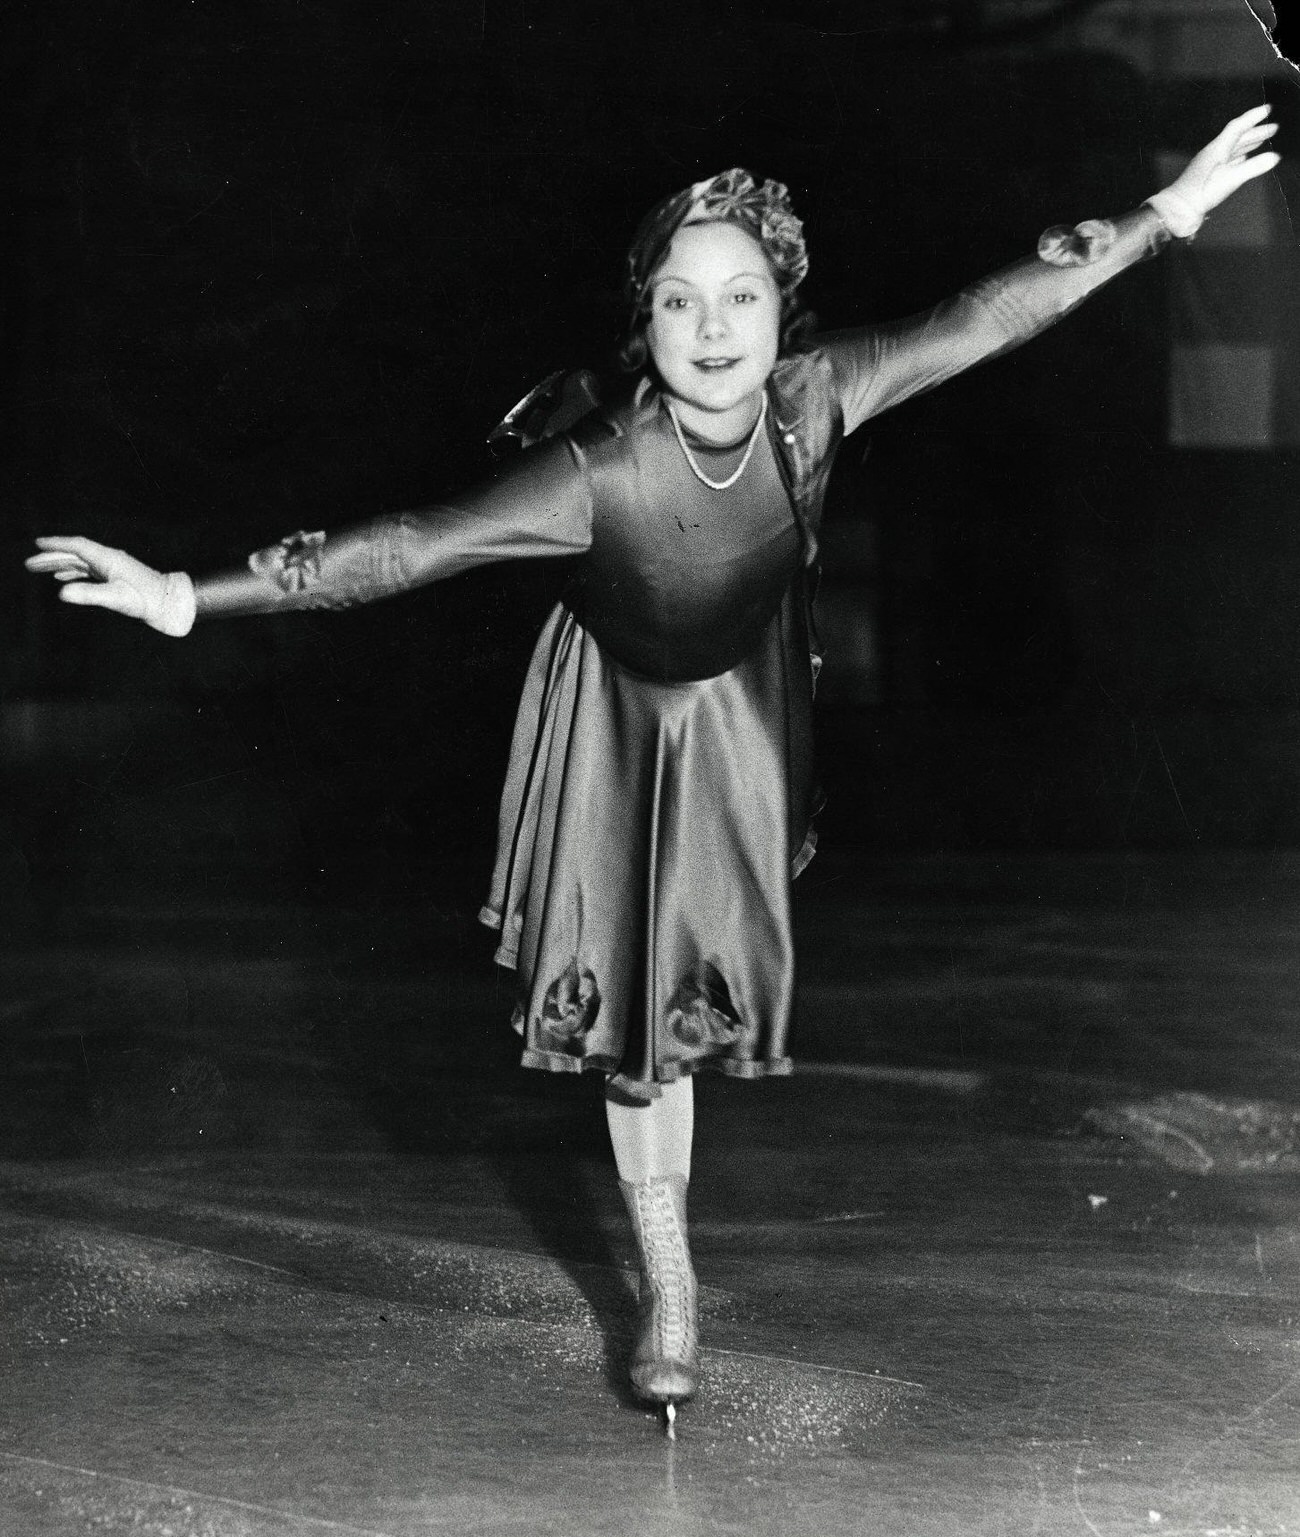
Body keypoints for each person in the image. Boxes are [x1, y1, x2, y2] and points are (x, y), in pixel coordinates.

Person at [27, 107, 1280, 1433]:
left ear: (781, 310)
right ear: (648, 321)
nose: (715, 325)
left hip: (738, 701)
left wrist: (1169, 216)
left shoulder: (815, 396)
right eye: (681, 300)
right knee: (641, 1024)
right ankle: (668, 1283)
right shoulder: (598, 468)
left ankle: (668, 1259)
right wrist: (181, 593)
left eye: (742, 295)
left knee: (690, 995)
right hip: (616, 710)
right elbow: (407, 545)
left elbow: (986, 316)